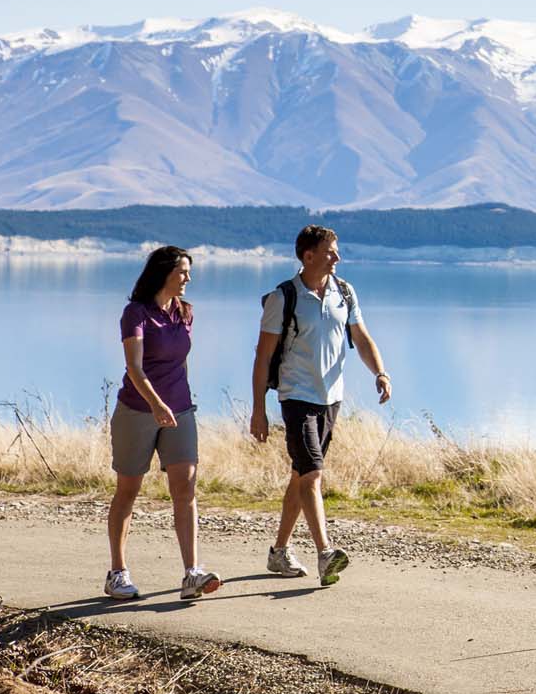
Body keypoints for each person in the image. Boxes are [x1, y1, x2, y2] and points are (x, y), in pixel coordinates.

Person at [250, 225, 392, 586]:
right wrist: (258, 409)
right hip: (296, 396)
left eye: (336, 250)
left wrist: (380, 372)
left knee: (300, 475)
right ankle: (325, 552)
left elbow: (360, 337)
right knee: (312, 474)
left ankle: (279, 552)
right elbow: (263, 356)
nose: (337, 257)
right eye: (330, 251)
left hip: (331, 398)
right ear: (308, 255)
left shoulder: (344, 292)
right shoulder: (284, 298)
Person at [105, 246, 223, 601]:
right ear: (164, 273)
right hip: (138, 411)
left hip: (180, 412)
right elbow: (134, 369)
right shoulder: (135, 313)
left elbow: (179, 361)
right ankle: (117, 573)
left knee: (185, 491)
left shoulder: (185, 313)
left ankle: (192, 573)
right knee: (128, 491)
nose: (188, 278)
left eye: (189, 272)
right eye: (183, 272)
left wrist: (177, 402)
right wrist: (156, 404)